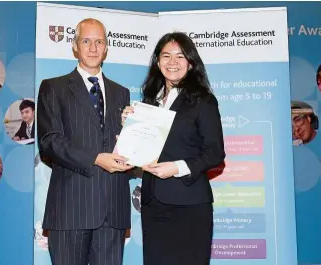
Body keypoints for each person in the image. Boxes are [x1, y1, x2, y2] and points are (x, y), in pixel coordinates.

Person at [121, 32, 226, 265]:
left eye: (180, 56)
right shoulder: (149, 102)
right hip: (153, 205)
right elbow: (140, 151)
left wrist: (177, 168)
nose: (172, 62)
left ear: (190, 62)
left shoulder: (203, 101)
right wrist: (128, 126)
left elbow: (215, 152)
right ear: (157, 63)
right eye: (166, 56)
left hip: (189, 206)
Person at [37, 18, 133, 265]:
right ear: (75, 46)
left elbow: (123, 145)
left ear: (106, 47)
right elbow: (49, 142)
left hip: (112, 212)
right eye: (86, 41)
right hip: (71, 209)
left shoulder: (121, 93)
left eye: (99, 41)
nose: (93, 48)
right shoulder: (53, 88)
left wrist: (132, 130)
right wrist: (95, 159)